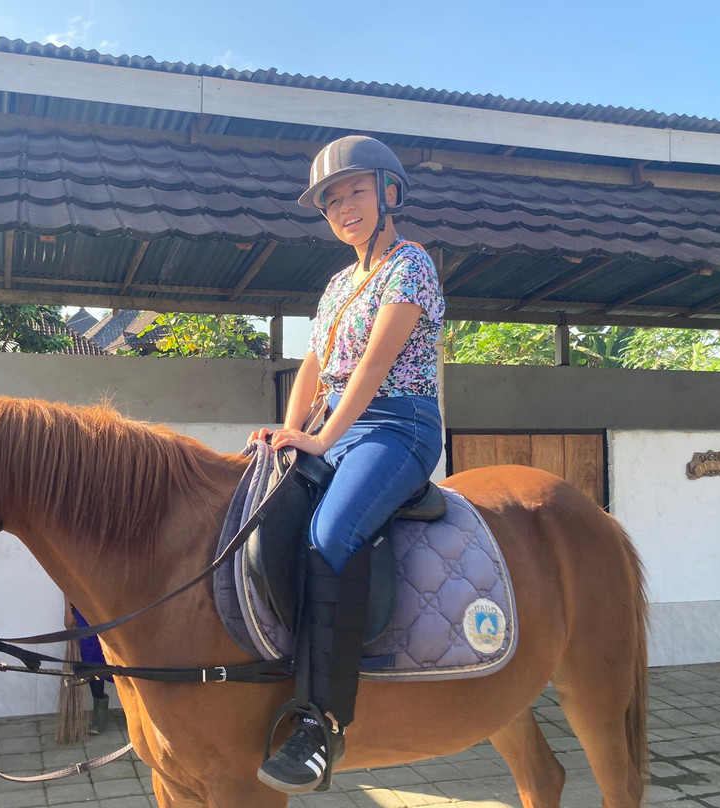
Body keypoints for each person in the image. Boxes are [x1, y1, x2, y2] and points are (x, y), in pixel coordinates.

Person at [251, 136, 445, 793]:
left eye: (355, 192)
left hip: (398, 426)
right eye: (332, 201)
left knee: (331, 534)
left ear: (389, 193)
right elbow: (314, 365)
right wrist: (291, 428)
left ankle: (321, 725)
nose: (343, 208)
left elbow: (373, 366)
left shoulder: (410, 265)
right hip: (338, 428)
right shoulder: (338, 284)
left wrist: (320, 436)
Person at [64, 598, 113, 735]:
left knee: (120, 654)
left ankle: (132, 709)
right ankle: (99, 714)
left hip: (114, 605)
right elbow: (68, 581)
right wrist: (68, 610)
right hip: (85, 607)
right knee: (92, 657)